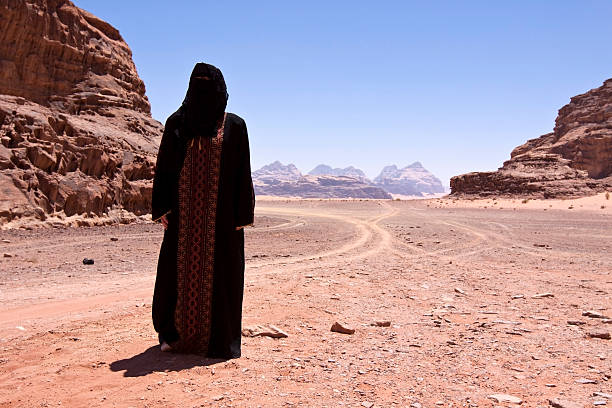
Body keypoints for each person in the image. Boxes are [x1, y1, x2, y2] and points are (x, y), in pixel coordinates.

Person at [151, 62, 255, 359]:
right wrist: (162, 208)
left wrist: (242, 215)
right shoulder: (176, 123)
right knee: (174, 275)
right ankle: (172, 335)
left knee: (222, 277)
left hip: (222, 221)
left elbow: (242, 173)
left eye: (209, 85)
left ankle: (218, 341)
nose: (204, 91)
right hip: (182, 220)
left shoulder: (235, 126)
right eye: (198, 85)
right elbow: (164, 168)